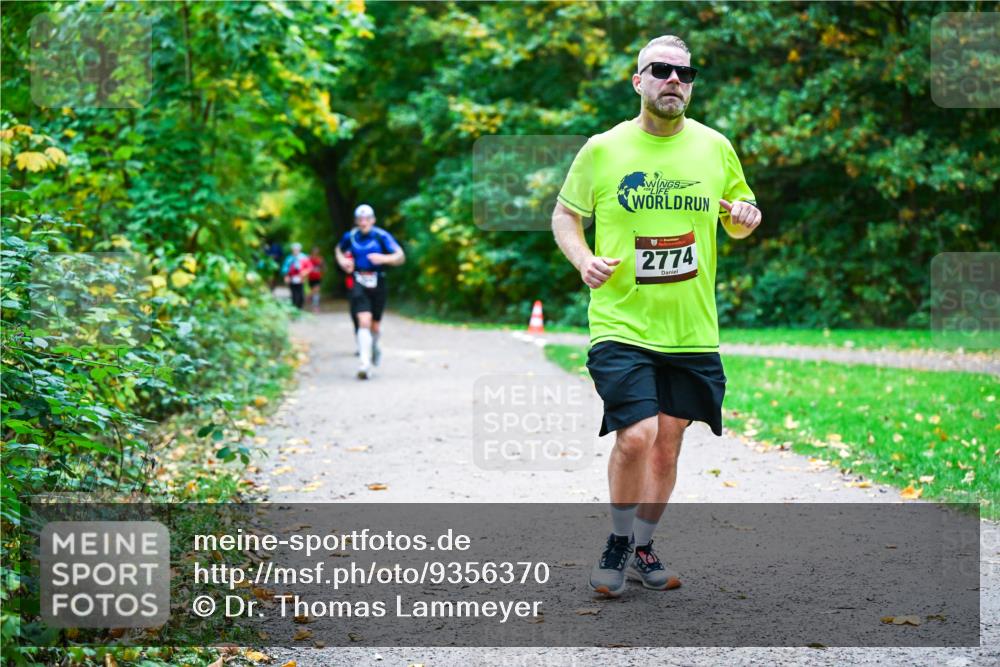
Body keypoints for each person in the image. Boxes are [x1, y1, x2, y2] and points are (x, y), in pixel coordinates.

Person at [551, 35, 762, 597]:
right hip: (622, 321)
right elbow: (566, 217)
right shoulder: (603, 149)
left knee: (669, 443)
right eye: (661, 70)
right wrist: (584, 260)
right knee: (637, 436)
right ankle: (618, 542)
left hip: (692, 328)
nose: (674, 80)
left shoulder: (716, 148)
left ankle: (644, 545)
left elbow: (739, 218)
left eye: (685, 73)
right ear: (637, 79)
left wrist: (745, 216)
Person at [334, 204, 405, 379]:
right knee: (363, 320)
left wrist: (384, 258)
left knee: (375, 325)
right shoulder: (350, 237)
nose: (364, 222)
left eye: (367, 219)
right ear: (356, 221)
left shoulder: (381, 236)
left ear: (373, 220)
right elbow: (338, 249)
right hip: (359, 280)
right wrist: (343, 261)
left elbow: (400, 256)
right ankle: (364, 364)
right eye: (360, 219)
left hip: (378, 281)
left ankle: (373, 347)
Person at [281, 243, 312, 310]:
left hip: (301, 278)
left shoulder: (304, 257)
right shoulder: (289, 258)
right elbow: (285, 268)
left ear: (299, 250)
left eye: (297, 249)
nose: (295, 251)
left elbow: (309, 267)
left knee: (301, 294)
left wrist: (305, 272)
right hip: (292, 278)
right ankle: (294, 308)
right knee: (294, 294)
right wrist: (286, 276)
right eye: (294, 249)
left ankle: (300, 308)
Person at [307, 246, 326, 312]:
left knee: (316, 291)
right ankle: (312, 301)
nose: (315, 252)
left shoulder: (320, 259)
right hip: (310, 277)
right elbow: (305, 266)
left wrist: (321, 271)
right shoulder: (309, 258)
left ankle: (315, 306)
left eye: (316, 251)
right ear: (312, 252)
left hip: (318, 277)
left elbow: (324, 268)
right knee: (314, 291)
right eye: (314, 251)